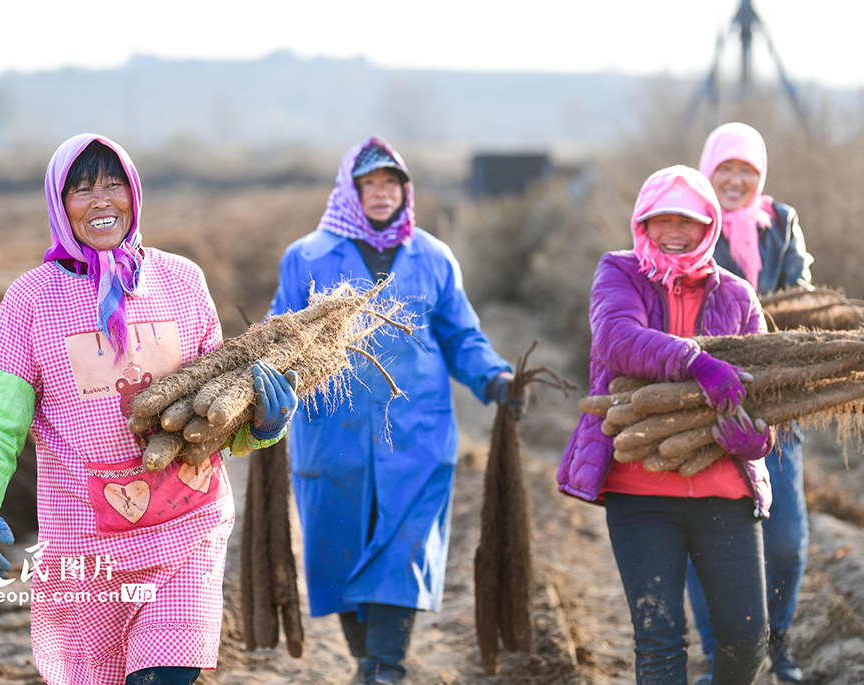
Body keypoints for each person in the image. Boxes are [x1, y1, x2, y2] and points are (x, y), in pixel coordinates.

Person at [0, 133, 298, 685]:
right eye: (81, 189)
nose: (101, 200)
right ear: (60, 207)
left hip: (188, 525)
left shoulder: (181, 282)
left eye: (114, 183)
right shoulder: (31, 300)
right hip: (89, 548)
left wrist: (263, 424)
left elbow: (215, 408)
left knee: (163, 676)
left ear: (134, 193)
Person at [268, 137, 520, 684]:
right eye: (370, 185)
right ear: (351, 192)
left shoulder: (432, 257)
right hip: (332, 434)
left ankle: (386, 666)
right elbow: (276, 340)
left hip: (417, 435)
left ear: (406, 192)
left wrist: (495, 376)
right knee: (338, 552)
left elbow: (461, 335)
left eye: (391, 185)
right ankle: (369, 662)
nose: (381, 195)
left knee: (403, 552)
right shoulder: (307, 257)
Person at [557, 165, 776, 685]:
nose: (674, 231)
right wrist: (696, 363)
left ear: (709, 226)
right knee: (659, 638)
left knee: (748, 637)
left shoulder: (740, 296)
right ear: (643, 224)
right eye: (662, 220)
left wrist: (760, 439)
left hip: (723, 488)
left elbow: (770, 392)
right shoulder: (619, 271)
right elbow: (616, 338)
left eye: (688, 220)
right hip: (642, 487)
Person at [687, 121, 814, 684]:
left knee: (784, 539)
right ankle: (720, 652)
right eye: (726, 169)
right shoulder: (687, 221)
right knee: (709, 535)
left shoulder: (781, 223)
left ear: (759, 177)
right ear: (708, 171)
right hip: (704, 400)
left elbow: (804, 297)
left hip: (779, 404)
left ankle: (777, 644)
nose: (736, 180)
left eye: (747, 171)